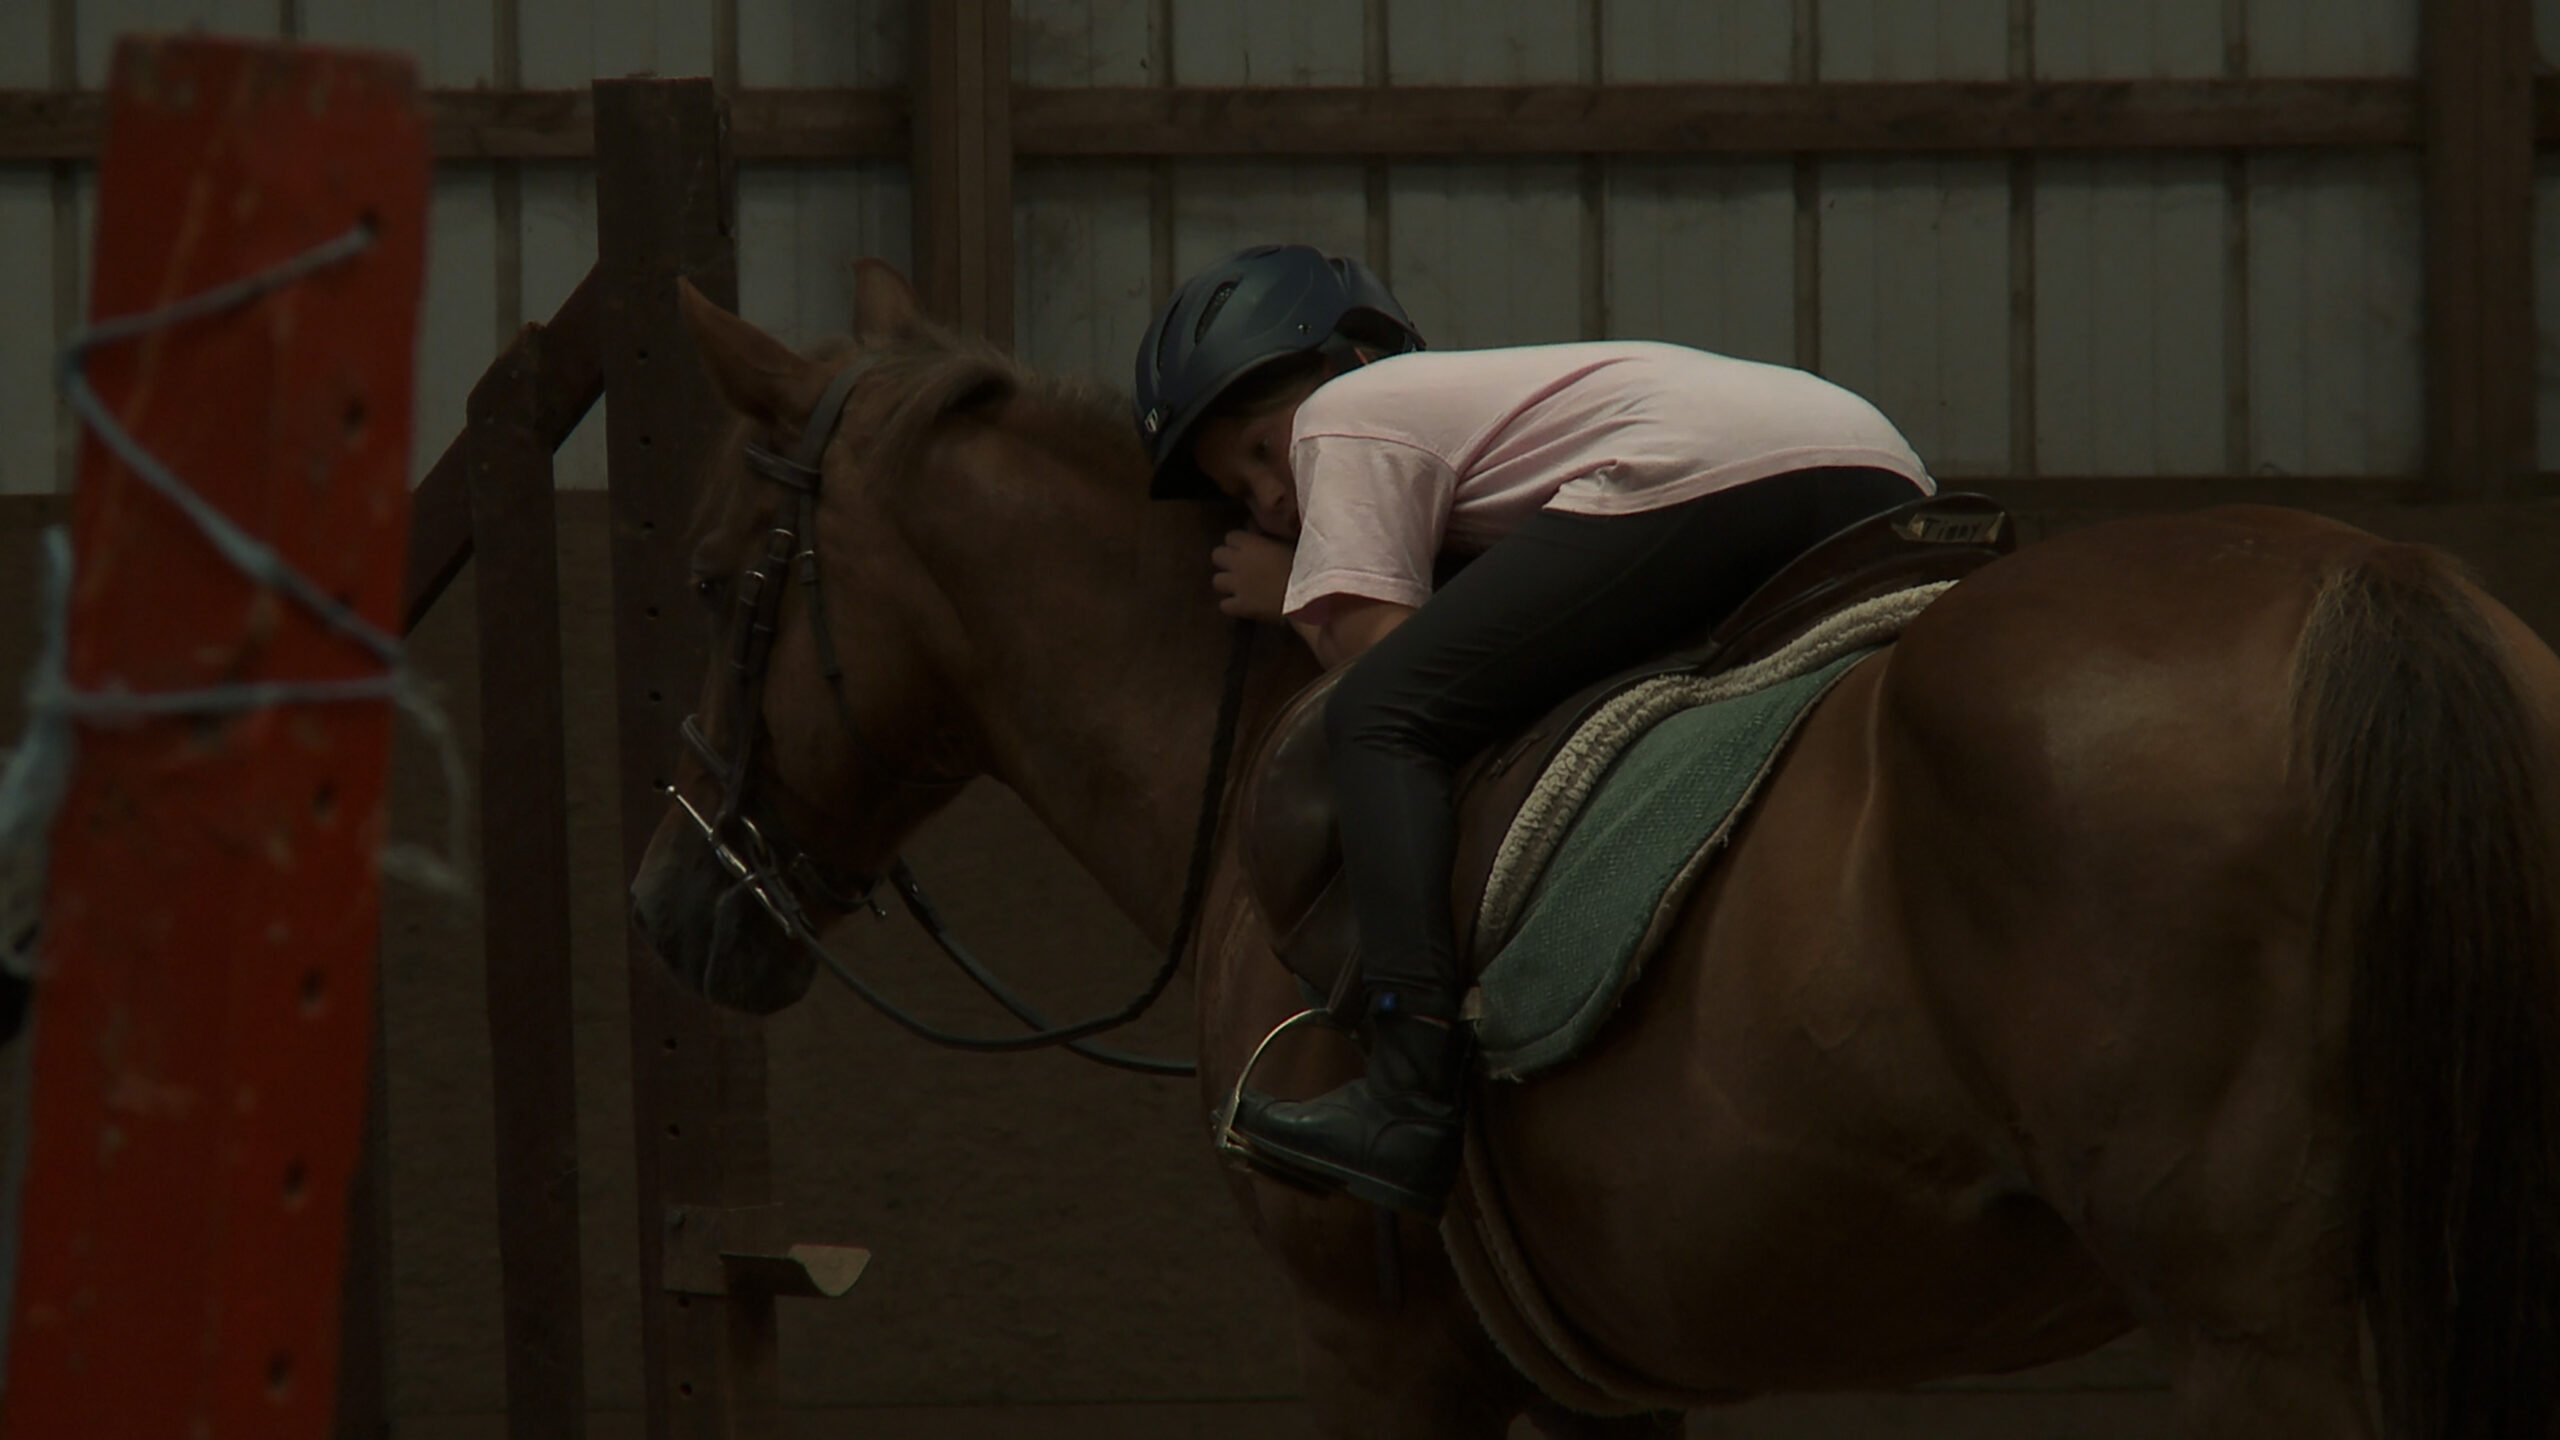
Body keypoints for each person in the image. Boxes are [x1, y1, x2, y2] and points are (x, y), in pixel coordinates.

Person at [1134, 243, 1933, 1218]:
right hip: (1873, 465)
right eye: (1240, 489)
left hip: (1695, 471)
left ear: (1343, 363)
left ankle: (1407, 1091)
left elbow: (1374, 651)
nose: (1269, 496)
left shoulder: (1346, 413)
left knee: (1377, 716)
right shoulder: (1476, 425)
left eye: (1262, 450)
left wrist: (1294, 591)